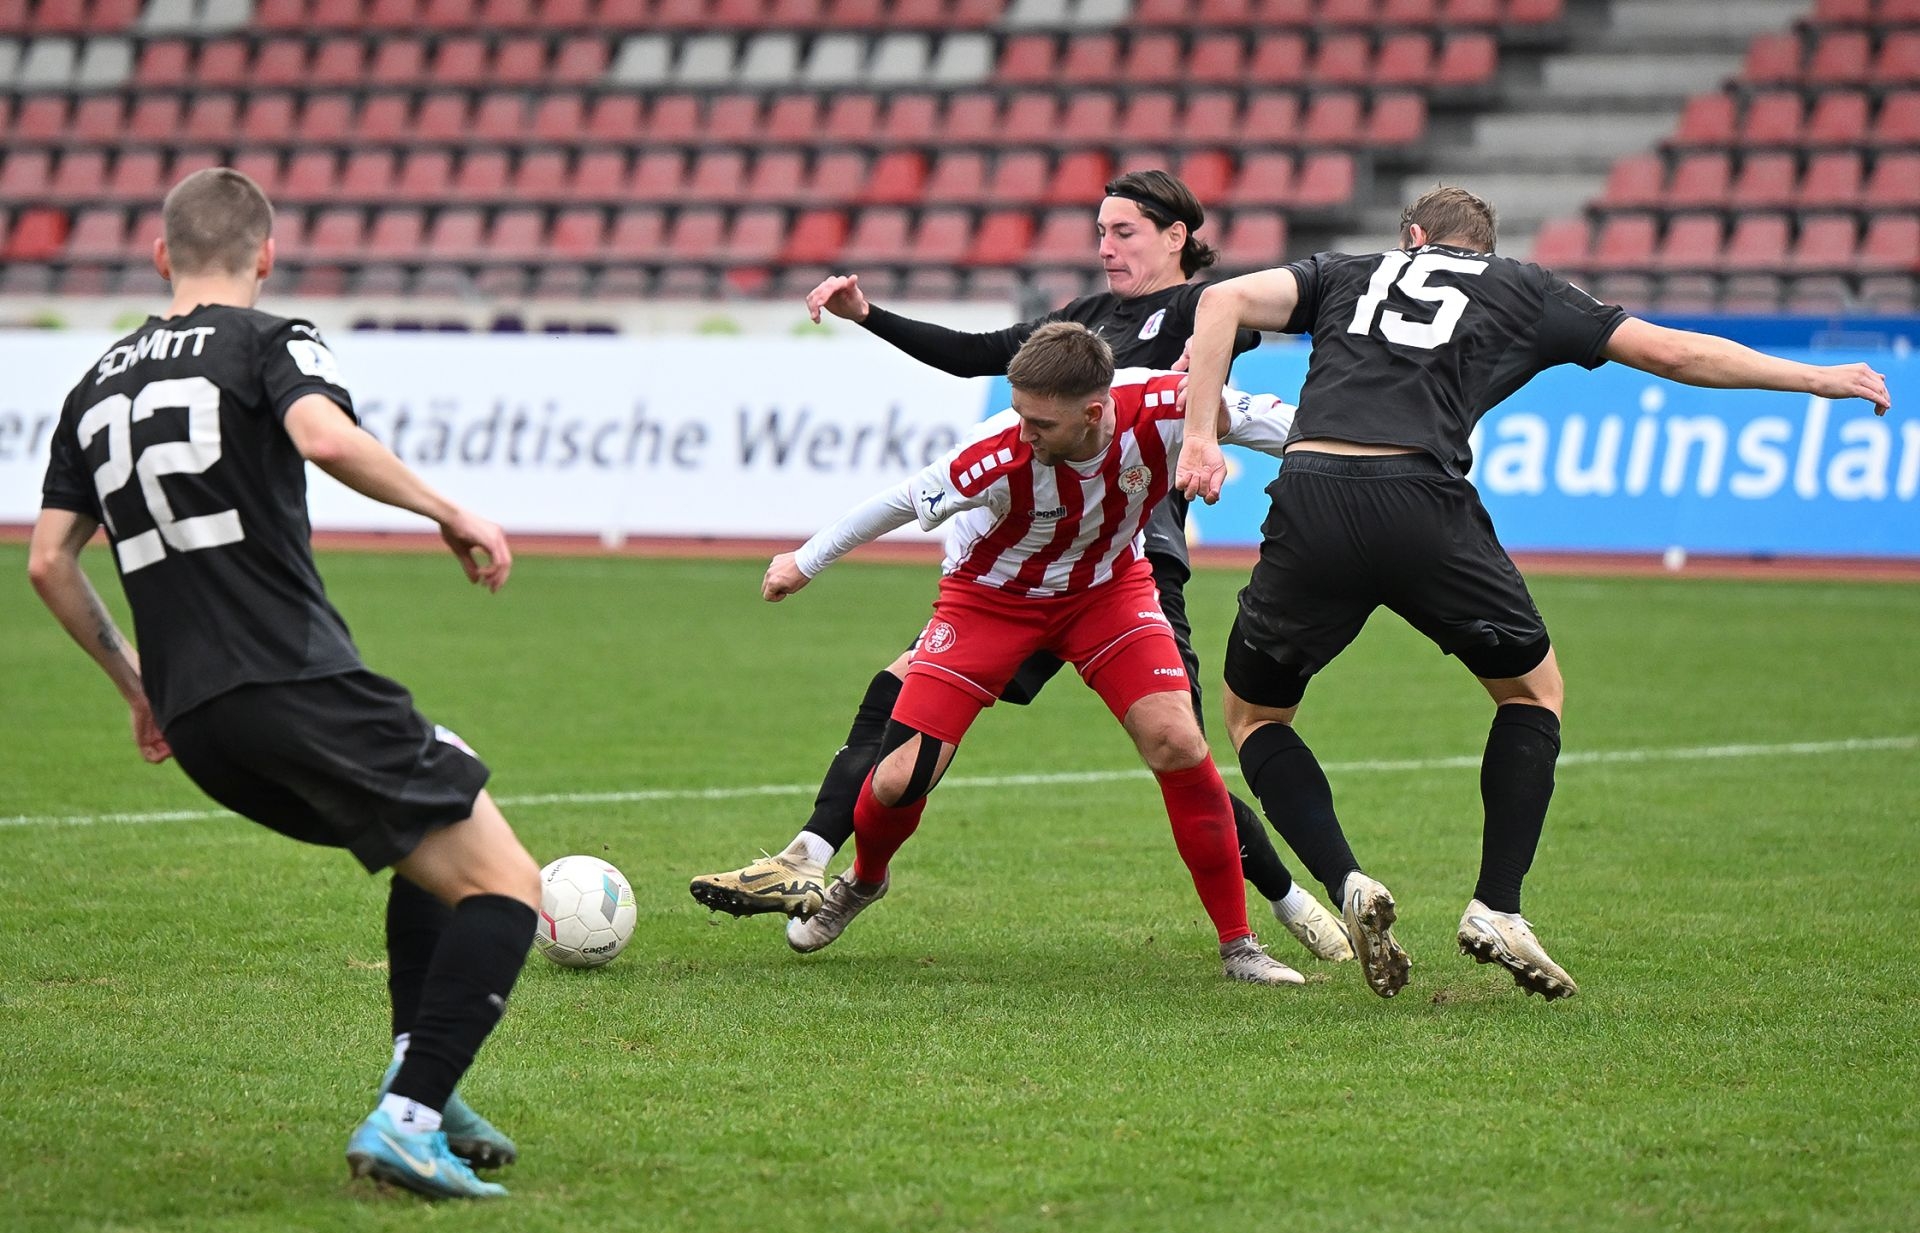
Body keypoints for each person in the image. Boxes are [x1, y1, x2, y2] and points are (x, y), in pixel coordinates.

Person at [1175, 184, 1894, 1001]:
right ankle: (1497, 905)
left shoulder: (1348, 270)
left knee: (1256, 717)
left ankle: (1346, 881)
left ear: (1413, 236)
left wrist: (1200, 437)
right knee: (1531, 693)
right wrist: (1815, 378)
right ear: (1483, 248)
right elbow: (1671, 353)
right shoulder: (1526, 286)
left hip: (1315, 490)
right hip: (1420, 498)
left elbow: (1221, 300)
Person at [27, 167, 544, 1199]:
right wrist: (451, 511)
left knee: (442, 803)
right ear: (266, 254)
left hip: (196, 716)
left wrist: (136, 688)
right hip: (288, 678)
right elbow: (323, 434)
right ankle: (407, 1119)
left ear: (162, 255)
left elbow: (48, 561)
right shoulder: (272, 340)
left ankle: (423, 1082)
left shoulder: (94, 386)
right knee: (507, 885)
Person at [691, 169, 1353, 964]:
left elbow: (1249, 358)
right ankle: (835, 865)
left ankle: (1265, 917)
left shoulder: (1195, 317)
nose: (1106, 247)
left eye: (1124, 231)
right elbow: (966, 372)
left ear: (1177, 236)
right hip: (1004, 590)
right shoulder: (1072, 336)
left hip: (1126, 568)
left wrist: (1362, 449)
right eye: (1099, 232)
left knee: (1178, 744)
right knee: (901, 743)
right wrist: (868, 318)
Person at [757, 321, 1309, 984]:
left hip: (1108, 593)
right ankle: (865, 880)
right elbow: (899, 501)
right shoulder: (993, 452)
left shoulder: (1168, 406)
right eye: (1019, 413)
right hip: (989, 604)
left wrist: (1377, 459)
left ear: (1094, 412)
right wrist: (805, 561)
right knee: (899, 779)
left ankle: (1239, 946)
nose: (1024, 432)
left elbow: (1294, 427)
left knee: (1178, 742)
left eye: (1041, 422)